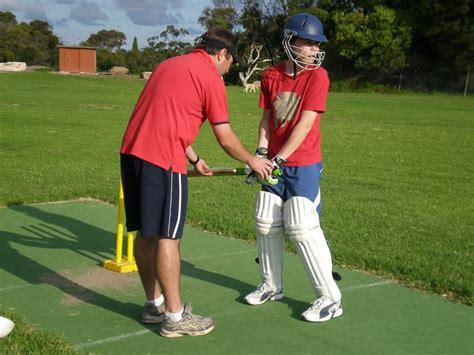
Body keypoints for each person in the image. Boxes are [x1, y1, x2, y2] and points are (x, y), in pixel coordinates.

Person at [119, 28, 273, 337]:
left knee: (146, 233)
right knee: (168, 237)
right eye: (232, 62)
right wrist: (253, 160)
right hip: (162, 160)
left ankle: (154, 305)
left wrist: (193, 157)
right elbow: (225, 137)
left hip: (132, 153)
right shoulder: (210, 77)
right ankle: (176, 319)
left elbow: (164, 114)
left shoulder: (168, 65)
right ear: (221, 54)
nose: (230, 70)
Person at [244, 13, 343, 322]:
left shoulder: (318, 76)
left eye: (317, 45)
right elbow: (267, 120)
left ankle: (329, 299)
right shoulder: (271, 76)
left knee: (300, 225)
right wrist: (261, 154)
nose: (314, 50)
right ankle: (271, 285)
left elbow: (304, 124)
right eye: (308, 43)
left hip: (303, 162)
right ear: (290, 42)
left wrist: (279, 158)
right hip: (274, 161)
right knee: (265, 219)